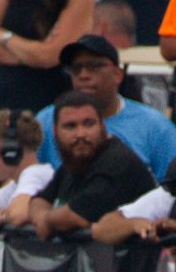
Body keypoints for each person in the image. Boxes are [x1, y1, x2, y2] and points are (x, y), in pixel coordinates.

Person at [33, 35, 176, 178]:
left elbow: (173, 187)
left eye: (94, 67)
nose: (83, 75)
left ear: (118, 74)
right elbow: (29, 179)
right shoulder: (46, 121)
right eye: (76, 68)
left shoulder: (156, 126)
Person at [26, 92, 157, 240]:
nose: (81, 134)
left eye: (88, 124)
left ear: (102, 126)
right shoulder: (74, 162)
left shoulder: (117, 162)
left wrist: (47, 221)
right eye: (70, 126)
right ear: (55, 132)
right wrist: (42, 218)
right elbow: (39, 200)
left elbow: (76, 216)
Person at [0, 109, 53, 232]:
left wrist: (4, 215)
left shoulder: (35, 174)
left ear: (11, 151)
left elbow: (19, 214)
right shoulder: (18, 182)